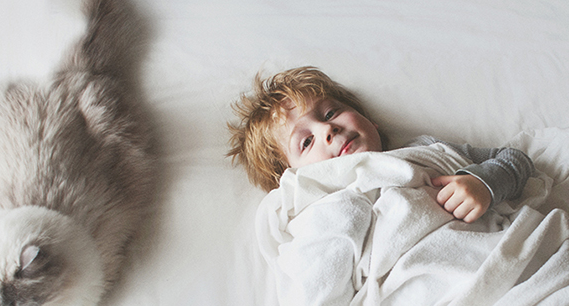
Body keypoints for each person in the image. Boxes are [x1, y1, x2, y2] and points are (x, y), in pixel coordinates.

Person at [227, 66, 534, 223]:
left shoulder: (424, 151)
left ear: (370, 121)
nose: (327, 129)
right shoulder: (319, 213)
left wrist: (484, 182)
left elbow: (515, 159)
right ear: (293, 178)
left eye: (331, 112)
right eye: (306, 142)